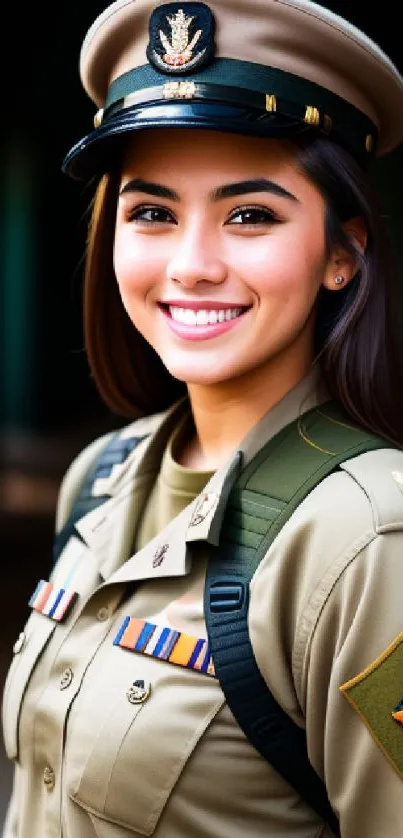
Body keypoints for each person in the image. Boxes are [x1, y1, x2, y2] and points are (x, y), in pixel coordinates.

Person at [2, 0, 403, 836]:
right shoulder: (101, 477)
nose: (191, 265)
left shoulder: (369, 539)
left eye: (249, 215)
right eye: (151, 213)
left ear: (342, 253)